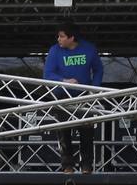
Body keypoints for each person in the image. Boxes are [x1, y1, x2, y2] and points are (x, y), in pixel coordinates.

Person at [43, 22, 105, 173]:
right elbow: (48, 74)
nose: (58, 39)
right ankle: (67, 165)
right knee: (63, 130)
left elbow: (98, 69)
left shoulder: (88, 49)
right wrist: (64, 81)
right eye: (58, 36)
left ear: (72, 38)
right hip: (62, 96)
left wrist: (94, 89)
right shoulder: (54, 51)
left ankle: (86, 165)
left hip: (84, 95)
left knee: (87, 130)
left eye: (62, 36)